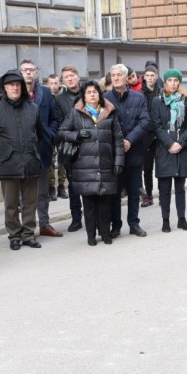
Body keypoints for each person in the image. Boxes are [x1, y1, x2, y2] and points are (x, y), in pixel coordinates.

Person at [0, 69, 44, 250]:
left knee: (30, 202)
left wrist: (31, 151)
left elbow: (39, 134)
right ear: (4, 88)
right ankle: (14, 236)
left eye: (18, 84)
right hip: (8, 164)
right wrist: (4, 153)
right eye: (11, 85)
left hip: (30, 162)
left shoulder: (32, 108)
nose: (15, 88)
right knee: (11, 204)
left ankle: (28, 234)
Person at [59, 79, 124, 245]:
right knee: (88, 204)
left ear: (99, 94)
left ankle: (105, 233)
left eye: (95, 92)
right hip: (83, 166)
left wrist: (118, 161)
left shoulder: (109, 112)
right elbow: (61, 133)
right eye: (88, 92)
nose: (92, 95)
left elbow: (118, 139)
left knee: (104, 203)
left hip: (105, 164)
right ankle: (90, 235)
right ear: (84, 96)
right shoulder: (75, 113)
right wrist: (77, 135)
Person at [19, 59, 64, 238]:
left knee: (43, 191)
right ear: (20, 72)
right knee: (25, 193)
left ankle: (44, 224)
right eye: (25, 70)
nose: (28, 73)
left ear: (36, 72)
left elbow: (54, 117)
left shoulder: (45, 92)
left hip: (43, 147)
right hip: (23, 150)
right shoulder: (16, 92)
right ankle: (26, 228)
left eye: (31, 70)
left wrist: (51, 134)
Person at [106, 63, 151, 237]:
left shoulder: (138, 97)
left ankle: (134, 224)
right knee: (115, 193)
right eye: (113, 75)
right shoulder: (105, 97)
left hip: (134, 152)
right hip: (113, 154)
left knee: (133, 192)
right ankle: (115, 225)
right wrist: (118, 142)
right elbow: (102, 125)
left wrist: (129, 140)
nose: (116, 77)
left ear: (126, 78)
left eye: (119, 75)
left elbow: (145, 121)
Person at [149, 69, 187, 232]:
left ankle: (181, 219)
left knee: (180, 187)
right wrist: (170, 143)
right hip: (164, 149)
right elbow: (156, 125)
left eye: (176, 81)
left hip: (181, 149)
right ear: (166, 82)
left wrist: (180, 143)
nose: (173, 84)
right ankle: (165, 220)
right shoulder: (157, 101)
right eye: (170, 81)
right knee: (164, 187)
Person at [56, 66, 85, 232]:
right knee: (73, 185)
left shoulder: (88, 92)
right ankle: (76, 218)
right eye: (66, 77)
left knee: (90, 182)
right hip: (71, 147)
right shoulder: (60, 100)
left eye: (72, 75)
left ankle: (92, 214)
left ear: (78, 77)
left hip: (90, 145)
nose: (70, 79)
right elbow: (59, 124)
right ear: (63, 81)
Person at [139, 61, 161, 207]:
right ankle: (148, 195)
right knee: (147, 167)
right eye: (147, 75)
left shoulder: (161, 91)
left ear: (157, 76)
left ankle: (163, 193)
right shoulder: (140, 94)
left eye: (152, 75)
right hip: (146, 135)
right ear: (144, 77)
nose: (150, 78)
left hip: (159, 134)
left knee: (161, 166)